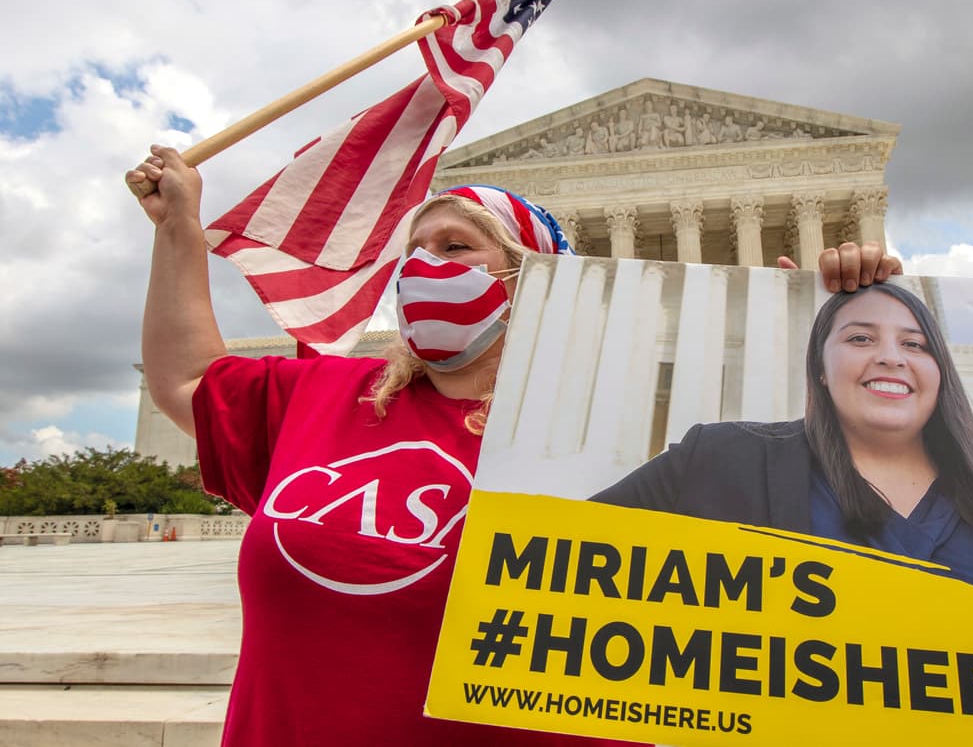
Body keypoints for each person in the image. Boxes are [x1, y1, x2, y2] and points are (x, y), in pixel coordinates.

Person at [129, 143, 899, 745]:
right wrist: (178, 231)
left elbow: (831, 532)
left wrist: (827, 326)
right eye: (414, 250)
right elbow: (185, 381)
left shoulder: (637, 430)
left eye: (455, 247)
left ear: (530, 277)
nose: (423, 265)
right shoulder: (327, 392)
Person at [593, 282, 973, 742]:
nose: (890, 355)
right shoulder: (719, 461)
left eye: (915, 344)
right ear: (819, 365)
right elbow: (541, 569)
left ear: (941, 373)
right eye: (860, 337)